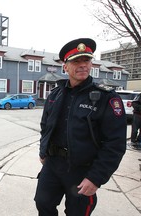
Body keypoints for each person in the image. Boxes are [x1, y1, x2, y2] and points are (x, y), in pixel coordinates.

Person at [34, 38, 127, 216]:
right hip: (53, 164)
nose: (83, 65)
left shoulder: (106, 98)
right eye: (76, 61)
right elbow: (45, 126)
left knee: (77, 213)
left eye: (86, 60)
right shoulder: (56, 94)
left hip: (83, 170)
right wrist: (43, 151)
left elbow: (115, 143)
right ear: (65, 66)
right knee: (43, 203)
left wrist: (95, 178)